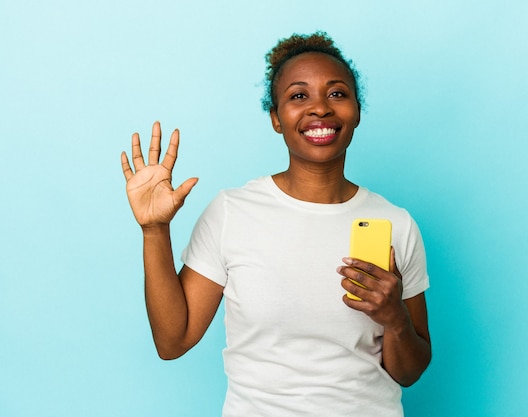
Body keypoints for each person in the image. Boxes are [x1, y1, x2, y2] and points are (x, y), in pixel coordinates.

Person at [121, 31, 431, 417]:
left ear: (357, 111)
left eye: (337, 93)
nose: (320, 108)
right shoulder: (232, 212)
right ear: (276, 118)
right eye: (298, 96)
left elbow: (410, 372)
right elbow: (173, 340)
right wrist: (155, 231)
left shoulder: (395, 224)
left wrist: (395, 320)